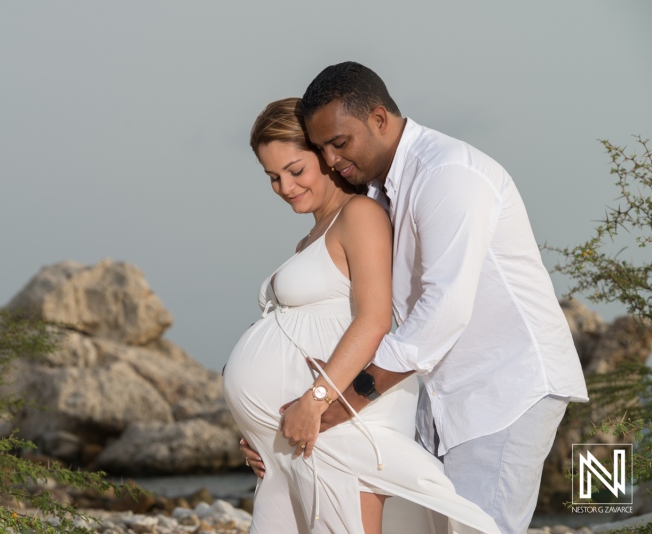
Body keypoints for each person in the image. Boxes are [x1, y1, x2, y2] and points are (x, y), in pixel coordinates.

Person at [241, 62, 589, 534]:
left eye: (338, 143)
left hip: (503, 387)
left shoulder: (447, 174)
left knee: (481, 528)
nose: (330, 160)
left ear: (379, 119)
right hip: (443, 396)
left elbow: (442, 311)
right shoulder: (380, 190)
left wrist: (339, 402)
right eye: (321, 149)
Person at [223, 97, 500, 534]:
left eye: (296, 170)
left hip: (340, 424)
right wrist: (261, 431)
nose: (285, 187)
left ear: (327, 157)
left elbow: (374, 320)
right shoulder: (311, 238)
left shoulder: (361, 215)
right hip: (301, 437)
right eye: (272, 177)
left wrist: (315, 401)